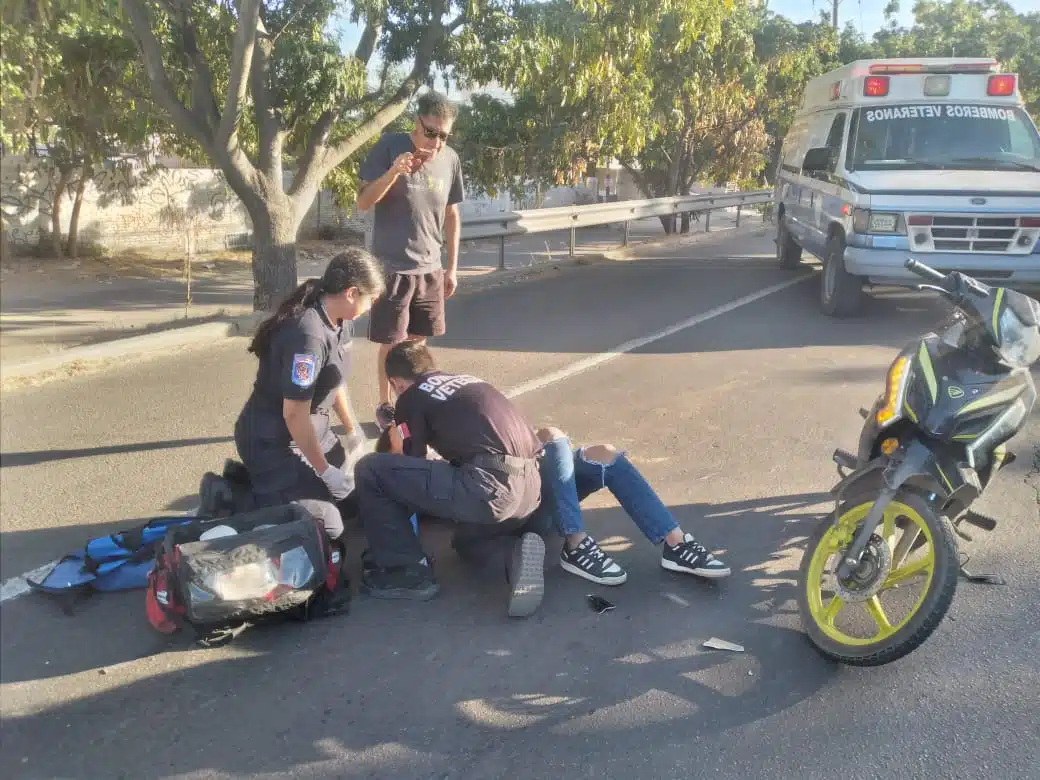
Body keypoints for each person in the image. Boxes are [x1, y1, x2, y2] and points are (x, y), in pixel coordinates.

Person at [353, 342, 546, 617]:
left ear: (395, 383)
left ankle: (404, 570)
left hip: (488, 487)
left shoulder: (410, 397)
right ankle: (514, 556)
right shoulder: (469, 382)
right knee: (464, 543)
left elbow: (411, 464)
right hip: (531, 490)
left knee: (371, 469)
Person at [232, 248, 385, 544]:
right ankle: (240, 498)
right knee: (328, 528)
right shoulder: (308, 336)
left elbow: (335, 381)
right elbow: (293, 413)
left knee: (357, 500)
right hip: (273, 440)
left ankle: (282, 491)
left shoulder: (341, 320)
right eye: (372, 299)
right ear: (352, 293)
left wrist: (353, 432)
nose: (373, 305)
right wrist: (325, 470)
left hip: (312, 430)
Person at [355, 91, 465, 432]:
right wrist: (393, 172)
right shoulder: (389, 146)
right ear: (416, 123)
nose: (435, 141)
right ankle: (385, 405)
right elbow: (362, 201)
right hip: (393, 268)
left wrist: (452, 267)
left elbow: (451, 214)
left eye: (443, 136)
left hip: (430, 268)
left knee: (417, 343)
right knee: (392, 343)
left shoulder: (450, 161)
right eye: (430, 132)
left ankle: (412, 402)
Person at [532, 427, 731, 585]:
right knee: (552, 436)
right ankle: (574, 545)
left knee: (605, 454)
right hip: (525, 508)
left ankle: (676, 543)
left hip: (540, 483)